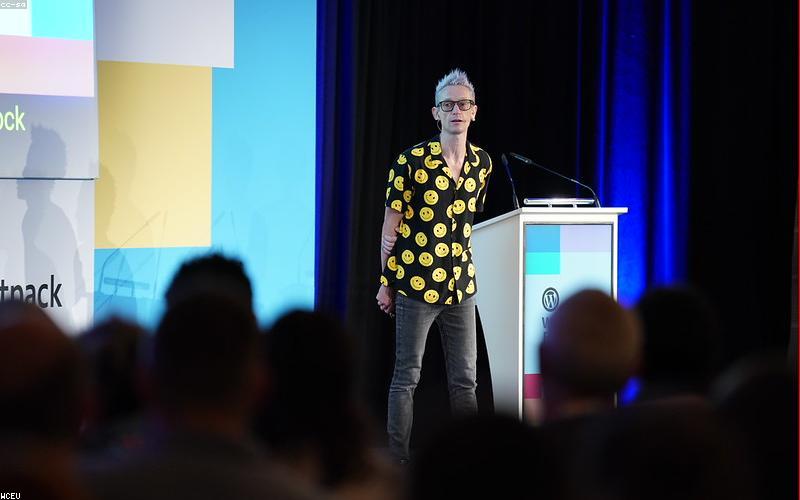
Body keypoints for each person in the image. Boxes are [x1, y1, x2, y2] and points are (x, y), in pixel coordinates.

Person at [375, 68, 493, 463]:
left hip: (462, 285)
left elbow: (469, 221)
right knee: (407, 377)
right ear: (435, 113)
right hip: (415, 283)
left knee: (466, 382)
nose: (456, 111)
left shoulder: (483, 164)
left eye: (463, 104)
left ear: (474, 112)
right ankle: (398, 460)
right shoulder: (410, 162)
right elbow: (390, 230)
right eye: (448, 105)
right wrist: (385, 282)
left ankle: (471, 460)